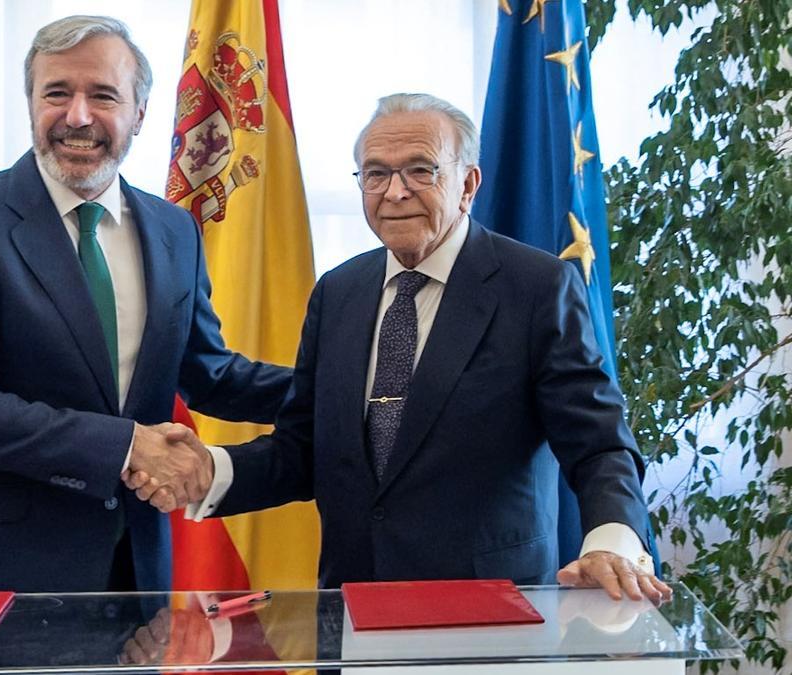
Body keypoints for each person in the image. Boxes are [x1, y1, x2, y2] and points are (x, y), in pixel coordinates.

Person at [132, 93, 671, 602]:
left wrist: (613, 538)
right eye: (376, 173)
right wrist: (211, 469)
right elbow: (306, 448)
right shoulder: (338, 291)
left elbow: (598, 442)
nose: (394, 191)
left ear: (467, 184)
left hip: (491, 610)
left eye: (420, 169)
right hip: (354, 605)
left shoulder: (536, 287)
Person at [0, 15, 288, 594]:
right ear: (30, 103)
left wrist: (346, 387)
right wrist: (129, 445)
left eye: (103, 95)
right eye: (57, 93)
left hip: (132, 570)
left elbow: (207, 373)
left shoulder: (173, 229)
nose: (77, 116)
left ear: (140, 113)